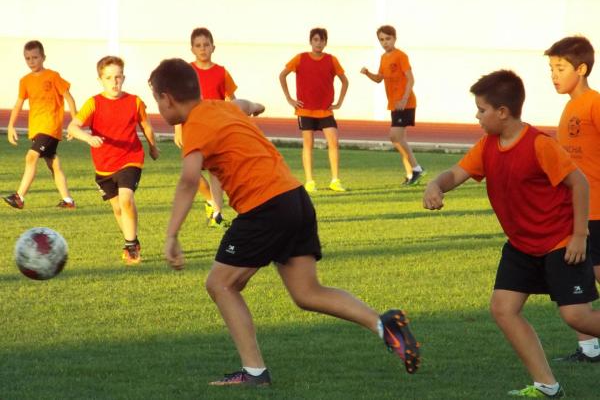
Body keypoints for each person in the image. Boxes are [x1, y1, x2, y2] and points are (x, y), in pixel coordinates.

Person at [149, 58, 420, 386]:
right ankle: (383, 325)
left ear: (167, 98)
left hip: (266, 207)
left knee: (220, 284)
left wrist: (171, 235)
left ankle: (254, 372)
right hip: (295, 198)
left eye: (157, 102)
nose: (159, 109)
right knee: (307, 292)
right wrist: (257, 106)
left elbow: (189, 180)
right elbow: (246, 104)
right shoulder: (221, 107)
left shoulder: (195, 125)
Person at [423, 69, 600, 398]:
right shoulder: (487, 145)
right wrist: (436, 184)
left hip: (560, 242)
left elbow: (579, 183)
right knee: (503, 308)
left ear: (502, 112)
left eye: (481, 109)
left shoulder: (539, 145)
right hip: (522, 245)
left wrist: (579, 235)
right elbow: (456, 173)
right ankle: (547, 386)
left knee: (577, 317)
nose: (477, 116)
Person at [68, 56, 159, 265]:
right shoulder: (94, 103)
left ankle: (129, 246)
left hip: (131, 158)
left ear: (124, 78)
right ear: (100, 80)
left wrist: (153, 146)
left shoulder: (134, 101)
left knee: (126, 200)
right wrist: (88, 138)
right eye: (109, 78)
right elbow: (73, 127)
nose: (114, 82)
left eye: (118, 77)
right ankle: (133, 240)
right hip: (103, 166)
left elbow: (146, 126)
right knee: (118, 208)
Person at [545, 36, 600, 363]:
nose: (554, 74)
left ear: (581, 69)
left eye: (560, 68)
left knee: (591, 270)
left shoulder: (593, 103)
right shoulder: (569, 105)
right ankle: (589, 348)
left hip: (596, 208)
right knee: (579, 273)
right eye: (551, 68)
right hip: (577, 209)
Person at [173, 27, 247, 227]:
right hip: (192, 130)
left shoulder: (221, 72)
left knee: (215, 173)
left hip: (215, 131)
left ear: (213, 47)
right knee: (192, 174)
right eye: (198, 45)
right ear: (192, 49)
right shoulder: (186, 72)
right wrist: (178, 129)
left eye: (206, 45)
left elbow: (232, 99)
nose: (203, 49)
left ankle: (217, 214)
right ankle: (210, 200)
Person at [3, 40, 77, 209]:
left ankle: (19, 197)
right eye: (27, 58)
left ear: (43, 57)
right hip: (36, 129)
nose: (31, 61)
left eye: (35, 57)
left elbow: (69, 98)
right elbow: (18, 104)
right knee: (54, 165)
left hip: (50, 127)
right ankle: (68, 201)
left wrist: (74, 122)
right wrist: (11, 126)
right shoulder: (25, 81)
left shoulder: (53, 76)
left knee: (31, 157)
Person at [279, 27, 349, 193]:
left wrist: (338, 103)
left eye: (322, 40)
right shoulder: (300, 58)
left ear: (326, 42)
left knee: (333, 142)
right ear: (311, 41)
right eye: (316, 40)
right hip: (305, 111)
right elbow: (282, 75)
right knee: (308, 145)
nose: (319, 43)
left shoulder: (332, 60)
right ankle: (310, 181)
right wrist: (290, 99)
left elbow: (345, 81)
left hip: (325, 110)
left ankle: (335, 180)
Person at [361, 25, 424, 185]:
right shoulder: (383, 58)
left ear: (394, 38)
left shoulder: (401, 56)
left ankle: (417, 168)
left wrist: (404, 98)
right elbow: (379, 78)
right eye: (381, 39)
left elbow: (411, 79)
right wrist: (368, 73)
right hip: (394, 105)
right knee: (399, 139)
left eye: (388, 39)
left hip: (405, 104)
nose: (385, 42)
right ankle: (411, 174)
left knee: (394, 136)